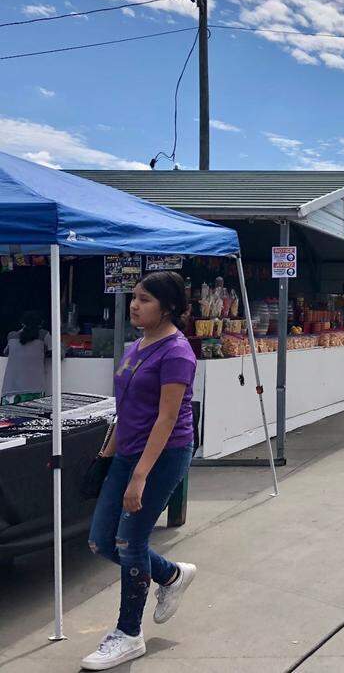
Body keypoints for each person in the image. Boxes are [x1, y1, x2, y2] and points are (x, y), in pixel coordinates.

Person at [83, 272, 197, 670]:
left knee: (131, 541)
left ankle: (128, 634)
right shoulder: (136, 346)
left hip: (163, 455)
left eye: (145, 299)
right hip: (128, 453)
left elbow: (165, 421)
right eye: (134, 298)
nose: (135, 305)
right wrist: (104, 458)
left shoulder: (177, 353)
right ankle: (169, 576)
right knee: (101, 541)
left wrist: (139, 476)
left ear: (167, 306)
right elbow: (126, 409)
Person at [1, 310, 50, 405]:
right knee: (32, 419)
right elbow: (58, 352)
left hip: (11, 389)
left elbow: (6, 352)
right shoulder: (44, 335)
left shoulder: (11, 336)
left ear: (22, 323)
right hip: (34, 389)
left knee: (8, 419)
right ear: (41, 323)